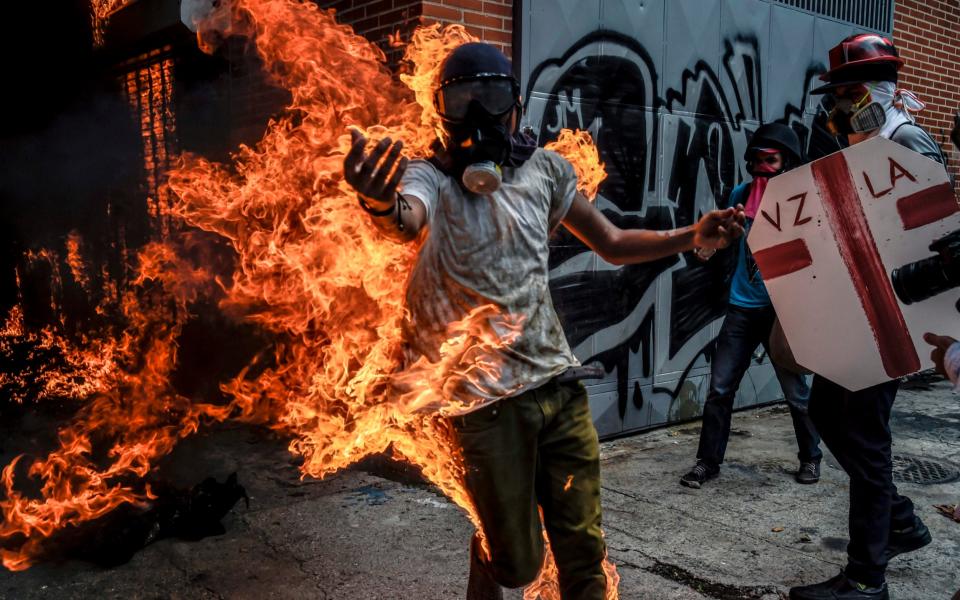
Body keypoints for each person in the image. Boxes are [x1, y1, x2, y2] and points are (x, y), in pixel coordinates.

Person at [342, 42, 745, 600]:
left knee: (584, 554)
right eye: (464, 101)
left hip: (559, 388)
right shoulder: (427, 178)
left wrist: (689, 235)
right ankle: (490, 567)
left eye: (494, 97)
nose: (480, 116)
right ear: (441, 110)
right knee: (518, 564)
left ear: (516, 106)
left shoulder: (547, 172)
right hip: (482, 405)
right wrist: (380, 204)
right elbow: (406, 222)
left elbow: (611, 241)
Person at [789, 33, 946, 600]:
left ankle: (866, 578)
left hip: (891, 320)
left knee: (864, 436)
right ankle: (897, 521)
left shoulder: (907, 144)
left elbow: (931, 239)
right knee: (829, 413)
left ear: (867, 95)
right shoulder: (866, 146)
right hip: (860, 314)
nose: (834, 110)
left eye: (842, 96)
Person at [680, 123, 823, 490]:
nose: (763, 167)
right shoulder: (742, 194)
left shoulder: (801, 202)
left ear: (786, 162)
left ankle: (811, 457)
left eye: (771, 160)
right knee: (720, 389)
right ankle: (706, 463)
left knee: (797, 394)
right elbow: (725, 240)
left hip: (781, 313)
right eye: (757, 160)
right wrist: (711, 246)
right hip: (742, 308)